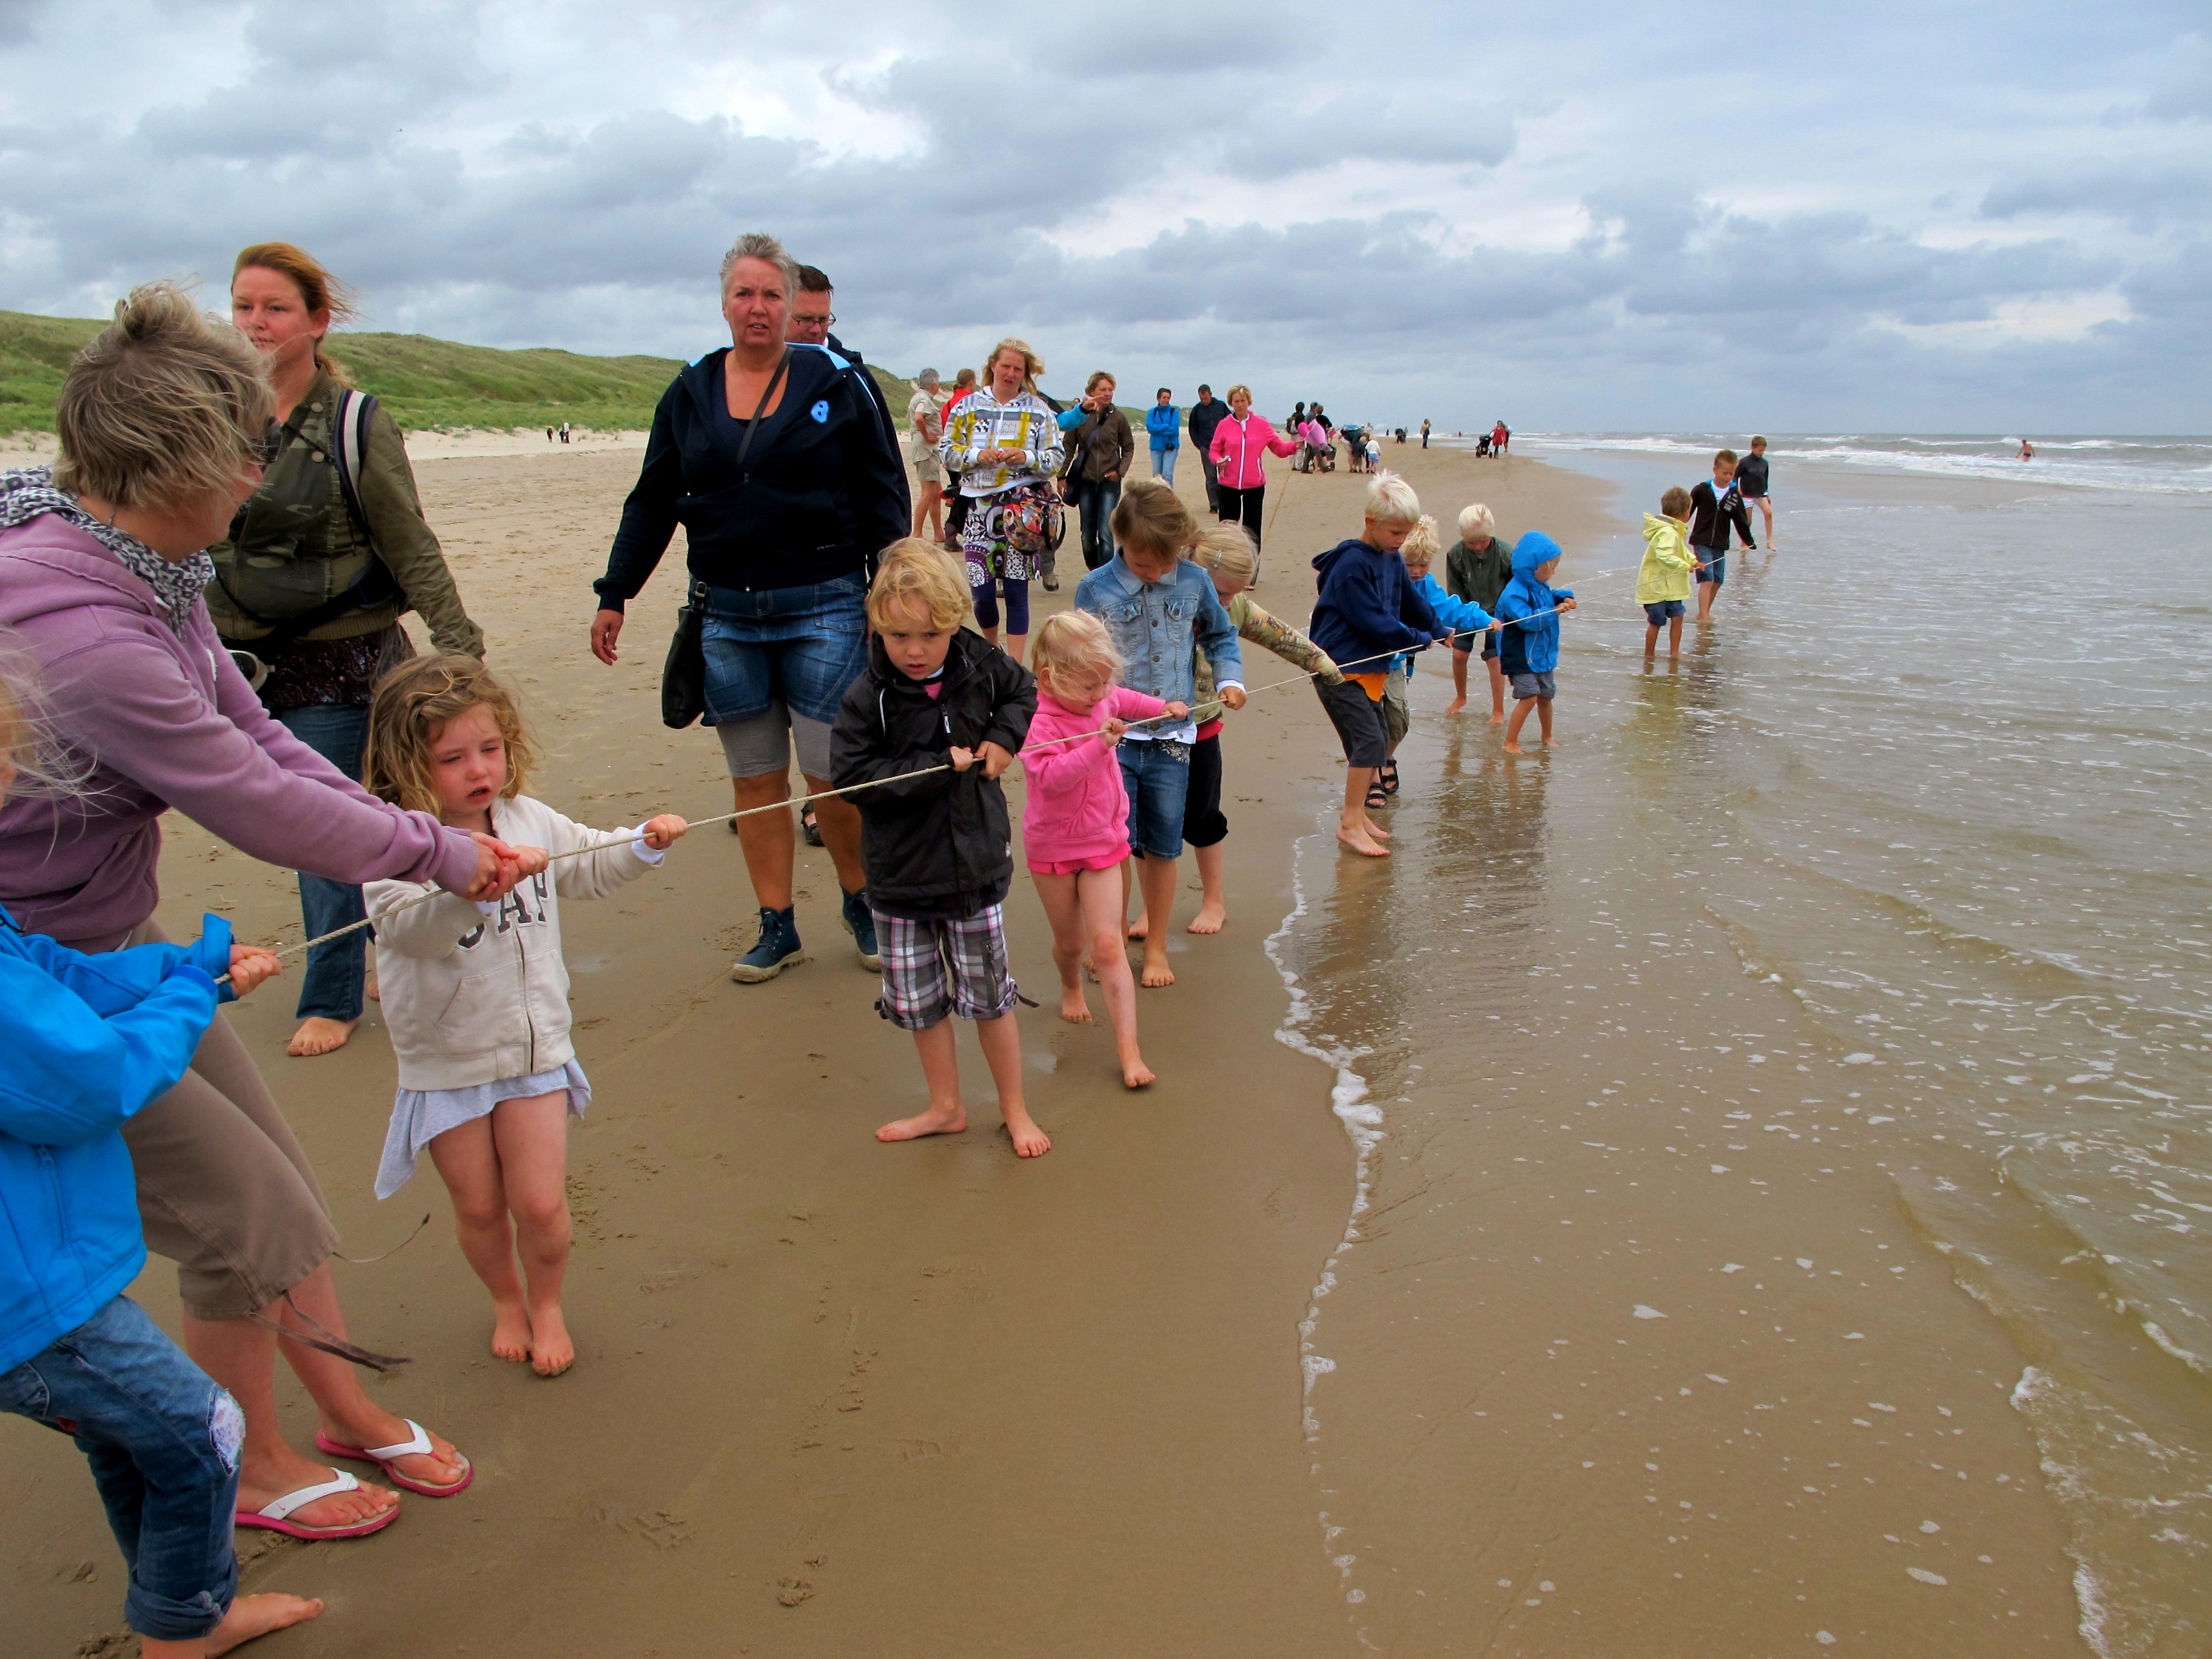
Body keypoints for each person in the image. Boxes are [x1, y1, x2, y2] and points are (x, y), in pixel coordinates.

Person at [2, 283, 506, 1540]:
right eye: (248, 450)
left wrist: (425, 837)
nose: (259, 474)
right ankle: (255, 1467)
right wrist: (441, 854)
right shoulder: (88, 630)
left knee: (280, 1183)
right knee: (244, 1213)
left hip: (109, 944)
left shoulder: (151, 568)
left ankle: (342, 1411)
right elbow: (251, 804)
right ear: (182, 461)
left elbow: (259, 734)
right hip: (34, 980)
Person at [1, 657, 325, 1659]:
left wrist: (181, 968)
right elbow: (87, 1080)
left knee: (130, 1435)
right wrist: (186, 1004)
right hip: (33, 1297)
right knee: (204, 1430)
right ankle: (185, 1627)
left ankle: (175, 1606)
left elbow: (55, 973)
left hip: (48, 1281)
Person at [592, 232, 907, 985]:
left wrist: (890, 589)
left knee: (831, 775)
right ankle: (777, 925)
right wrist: (616, 592)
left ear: (793, 305)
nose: (758, 307)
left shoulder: (836, 383)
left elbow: (881, 490)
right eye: (745, 293)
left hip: (828, 604)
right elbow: (654, 498)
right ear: (724, 302)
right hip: (726, 614)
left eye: (772, 294)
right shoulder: (691, 391)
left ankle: (860, 903)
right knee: (756, 779)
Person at [362, 656, 688, 1378]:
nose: (478, 770)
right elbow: (406, 933)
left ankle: (546, 1302)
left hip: (534, 1047)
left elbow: (589, 864)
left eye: (490, 749)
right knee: (480, 1209)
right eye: (452, 758)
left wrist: (641, 843)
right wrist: (474, 887)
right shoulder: (395, 843)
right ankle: (505, 1298)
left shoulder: (526, 818)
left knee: (539, 1205)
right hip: (448, 1062)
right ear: (407, 763)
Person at [215, 243, 486, 1061]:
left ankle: (334, 995)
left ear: (317, 321)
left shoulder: (353, 421)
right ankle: (382, 945)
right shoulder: (212, 414)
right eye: (243, 307)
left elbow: (409, 541)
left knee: (328, 827)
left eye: (275, 308)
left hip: (346, 662)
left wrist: (460, 649)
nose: (256, 324)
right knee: (342, 821)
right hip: (243, 668)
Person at [828, 540, 1047, 1156]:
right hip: (899, 883)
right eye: (898, 636)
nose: (915, 650)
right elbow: (851, 776)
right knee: (920, 1007)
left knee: (990, 999)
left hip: (974, 870)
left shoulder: (980, 661)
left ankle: (1015, 1109)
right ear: (878, 628)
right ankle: (946, 1106)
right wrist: (931, 768)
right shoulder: (865, 695)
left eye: (929, 634)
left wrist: (1002, 740)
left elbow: (1022, 693)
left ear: (954, 622)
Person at [1075, 480, 1244, 985]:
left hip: (1174, 739)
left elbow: (1221, 635)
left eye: (1164, 564)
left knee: (1166, 844)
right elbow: (1076, 655)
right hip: (1115, 737)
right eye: (1143, 564)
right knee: (1114, 844)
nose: (1154, 574)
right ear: (1119, 540)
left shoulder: (1194, 581)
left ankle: (1156, 948)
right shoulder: (1096, 587)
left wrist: (1230, 678)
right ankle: (1110, 937)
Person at [1019, 610, 1175, 1088]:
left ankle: (1129, 1050)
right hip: (1053, 848)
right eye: (1089, 687)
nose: (1099, 695)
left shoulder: (1101, 700)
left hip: (1103, 842)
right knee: (1070, 944)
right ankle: (1069, 985)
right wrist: (1098, 748)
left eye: (1103, 684)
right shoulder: (1039, 723)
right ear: (1049, 679)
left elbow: (1122, 699)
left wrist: (1160, 707)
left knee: (1108, 944)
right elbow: (1048, 779)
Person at [1181, 524, 1339, 932]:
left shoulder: (1235, 609)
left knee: (1203, 818)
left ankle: (1214, 899)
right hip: (1152, 732)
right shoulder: (1168, 601)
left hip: (1202, 731)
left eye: (1237, 592)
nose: (1228, 601)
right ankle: (1153, 907)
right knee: (1149, 823)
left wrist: (1320, 663)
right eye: (1221, 592)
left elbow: (1280, 636)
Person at [1307, 472, 1449, 857]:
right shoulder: (1353, 564)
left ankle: (1356, 816)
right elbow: (1372, 619)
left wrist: (1437, 627)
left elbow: (1410, 602)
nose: (1401, 541)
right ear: (1371, 522)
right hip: (1338, 669)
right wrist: (1416, 639)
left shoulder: (1391, 559)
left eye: (1406, 534)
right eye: (1396, 533)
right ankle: (1351, 821)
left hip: (1370, 670)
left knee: (1378, 735)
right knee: (1369, 741)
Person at [939, 339, 1062, 661]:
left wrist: (1025, 456)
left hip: (1022, 511)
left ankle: (1016, 666)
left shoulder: (1039, 410)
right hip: (978, 509)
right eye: (1005, 366)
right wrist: (978, 455)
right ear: (993, 365)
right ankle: (994, 652)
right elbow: (946, 451)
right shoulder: (966, 406)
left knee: (1016, 589)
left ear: (1026, 373)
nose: (1010, 373)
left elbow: (1056, 457)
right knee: (981, 593)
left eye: (1017, 369)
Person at [1384, 517, 1497, 802]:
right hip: (1369, 659)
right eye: (1410, 564)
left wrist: (1485, 619)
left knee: (1398, 721)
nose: (1417, 571)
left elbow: (1447, 608)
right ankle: (1371, 771)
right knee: (1371, 723)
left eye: (1424, 565)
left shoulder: (1425, 583)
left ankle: (1385, 759)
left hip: (1397, 664)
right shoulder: (1383, 575)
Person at [790, 264, 898, 454]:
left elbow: (887, 456)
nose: (816, 329)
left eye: (823, 320)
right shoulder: (755, 371)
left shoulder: (851, 374)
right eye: (806, 319)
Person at [1494, 531, 1577, 754]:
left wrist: (1565, 598)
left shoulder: (1540, 586)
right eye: (1550, 568)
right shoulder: (1513, 594)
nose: (1553, 572)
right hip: (1520, 655)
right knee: (1529, 697)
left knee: (1546, 696)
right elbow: (1530, 621)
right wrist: (1555, 611)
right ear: (1534, 568)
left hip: (1541, 654)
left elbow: (1552, 595)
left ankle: (1547, 736)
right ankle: (1510, 742)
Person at [1205, 384, 1298, 558]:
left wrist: (1294, 446)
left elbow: (1279, 448)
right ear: (1231, 403)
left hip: (1254, 485)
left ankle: (1251, 571)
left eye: (1243, 401)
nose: (1240, 405)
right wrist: (1217, 460)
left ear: (1249, 402)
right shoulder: (1224, 425)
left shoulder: (1261, 425)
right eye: (1236, 401)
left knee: (1252, 530)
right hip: (1228, 484)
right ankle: (1228, 567)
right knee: (1227, 529)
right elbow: (1214, 450)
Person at [1446, 503, 1516, 720]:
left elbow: (1514, 586)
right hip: (1468, 609)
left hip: (1497, 613)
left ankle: (1498, 710)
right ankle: (1461, 696)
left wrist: (1509, 614)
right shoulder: (1455, 554)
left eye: (1483, 541)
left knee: (1494, 660)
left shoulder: (1505, 553)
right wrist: (1462, 615)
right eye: (1472, 542)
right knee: (1459, 655)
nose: (1478, 547)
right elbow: (1455, 591)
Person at [1061, 371, 1134, 574]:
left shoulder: (1118, 417)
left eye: (1111, 390)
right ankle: (1094, 570)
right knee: (1087, 536)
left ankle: (1105, 576)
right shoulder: (1080, 416)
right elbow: (1068, 447)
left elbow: (1128, 447)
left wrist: (1120, 472)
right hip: (1085, 482)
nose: (1108, 393)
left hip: (1109, 483)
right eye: (1103, 389)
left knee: (1106, 533)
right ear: (1091, 391)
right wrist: (1061, 475)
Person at [1686, 448, 1755, 623]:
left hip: (1720, 542)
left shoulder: (1734, 495)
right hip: (1701, 541)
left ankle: (1705, 611)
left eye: (1731, 474)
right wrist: (1676, 528)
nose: (1727, 477)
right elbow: (1688, 511)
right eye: (1725, 473)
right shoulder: (1702, 490)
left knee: (1718, 581)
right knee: (1707, 579)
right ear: (1715, 469)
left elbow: (1740, 520)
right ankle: (1703, 616)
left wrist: (1748, 541)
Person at [1638, 486, 1702, 660]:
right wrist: (1684, 566)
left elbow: (1680, 551)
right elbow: (1664, 555)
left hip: (1670, 587)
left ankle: (1675, 653)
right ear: (1686, 512)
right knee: (1657, 621)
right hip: (1656, 587)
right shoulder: (1667, 532)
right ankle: (1649, 655)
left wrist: (1694, 561)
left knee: (1678, 616)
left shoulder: (1673, 530)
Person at [938, 367, 979, 549]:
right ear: (971, 382)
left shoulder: (947, 405)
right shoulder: (970, 403)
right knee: (964, 496)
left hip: (950, 457)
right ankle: (953, 534)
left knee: (958, 493)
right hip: (967, 457)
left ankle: (952, 533)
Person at [907, 368, 948, 543]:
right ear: (932, 385)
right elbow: (918, 418)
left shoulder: (919, 397)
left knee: (936, 491)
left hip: (927, 450)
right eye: (937, 383)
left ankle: (939, 533)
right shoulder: (924, 399)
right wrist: (927, 435)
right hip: (925, 449)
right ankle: (916, 532)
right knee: (928, 492)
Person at [1188, 384, 1230, 514]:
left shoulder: (1221, 406)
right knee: (1211, 476)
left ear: (1210, 394)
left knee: (1225, 475)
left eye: (1206, 398)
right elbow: (1192, 429)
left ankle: (1225, 502)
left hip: (1223, 447)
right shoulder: (1197, 410)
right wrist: (1199, 445)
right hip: (1206, 447)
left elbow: (1231, 422)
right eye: (1202, 399)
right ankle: (1214, 504)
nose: (1204, 401)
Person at [1737, 435, 1774, 549]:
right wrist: (1737, 489)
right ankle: (1744, 543)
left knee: (1769, 514)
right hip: (1747, 495)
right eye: (1760, 450)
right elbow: (1735, 477)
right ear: (1753, 448)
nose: (1762, 453)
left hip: (1761, 494)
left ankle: (1770, 542)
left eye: (1763, 450)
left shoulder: (1765, 463)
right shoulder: (1744, 462)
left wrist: (1766, 494)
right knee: (1748, 521)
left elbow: (1765, 480)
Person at [1145, 387, 1181, 484]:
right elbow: (1150, 428)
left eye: (1168, 398)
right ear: (1158, 398)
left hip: (1171, 447)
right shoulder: (1152, 412)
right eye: (1164, 397)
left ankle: (1168, 497)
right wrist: (1165, 426)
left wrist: (1157, 430)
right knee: (1156, 475)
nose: (1166, 400)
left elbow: (1173, 430)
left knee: (1167, 474)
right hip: (1156, 447)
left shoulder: (1174, 412)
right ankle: (1158, 497)